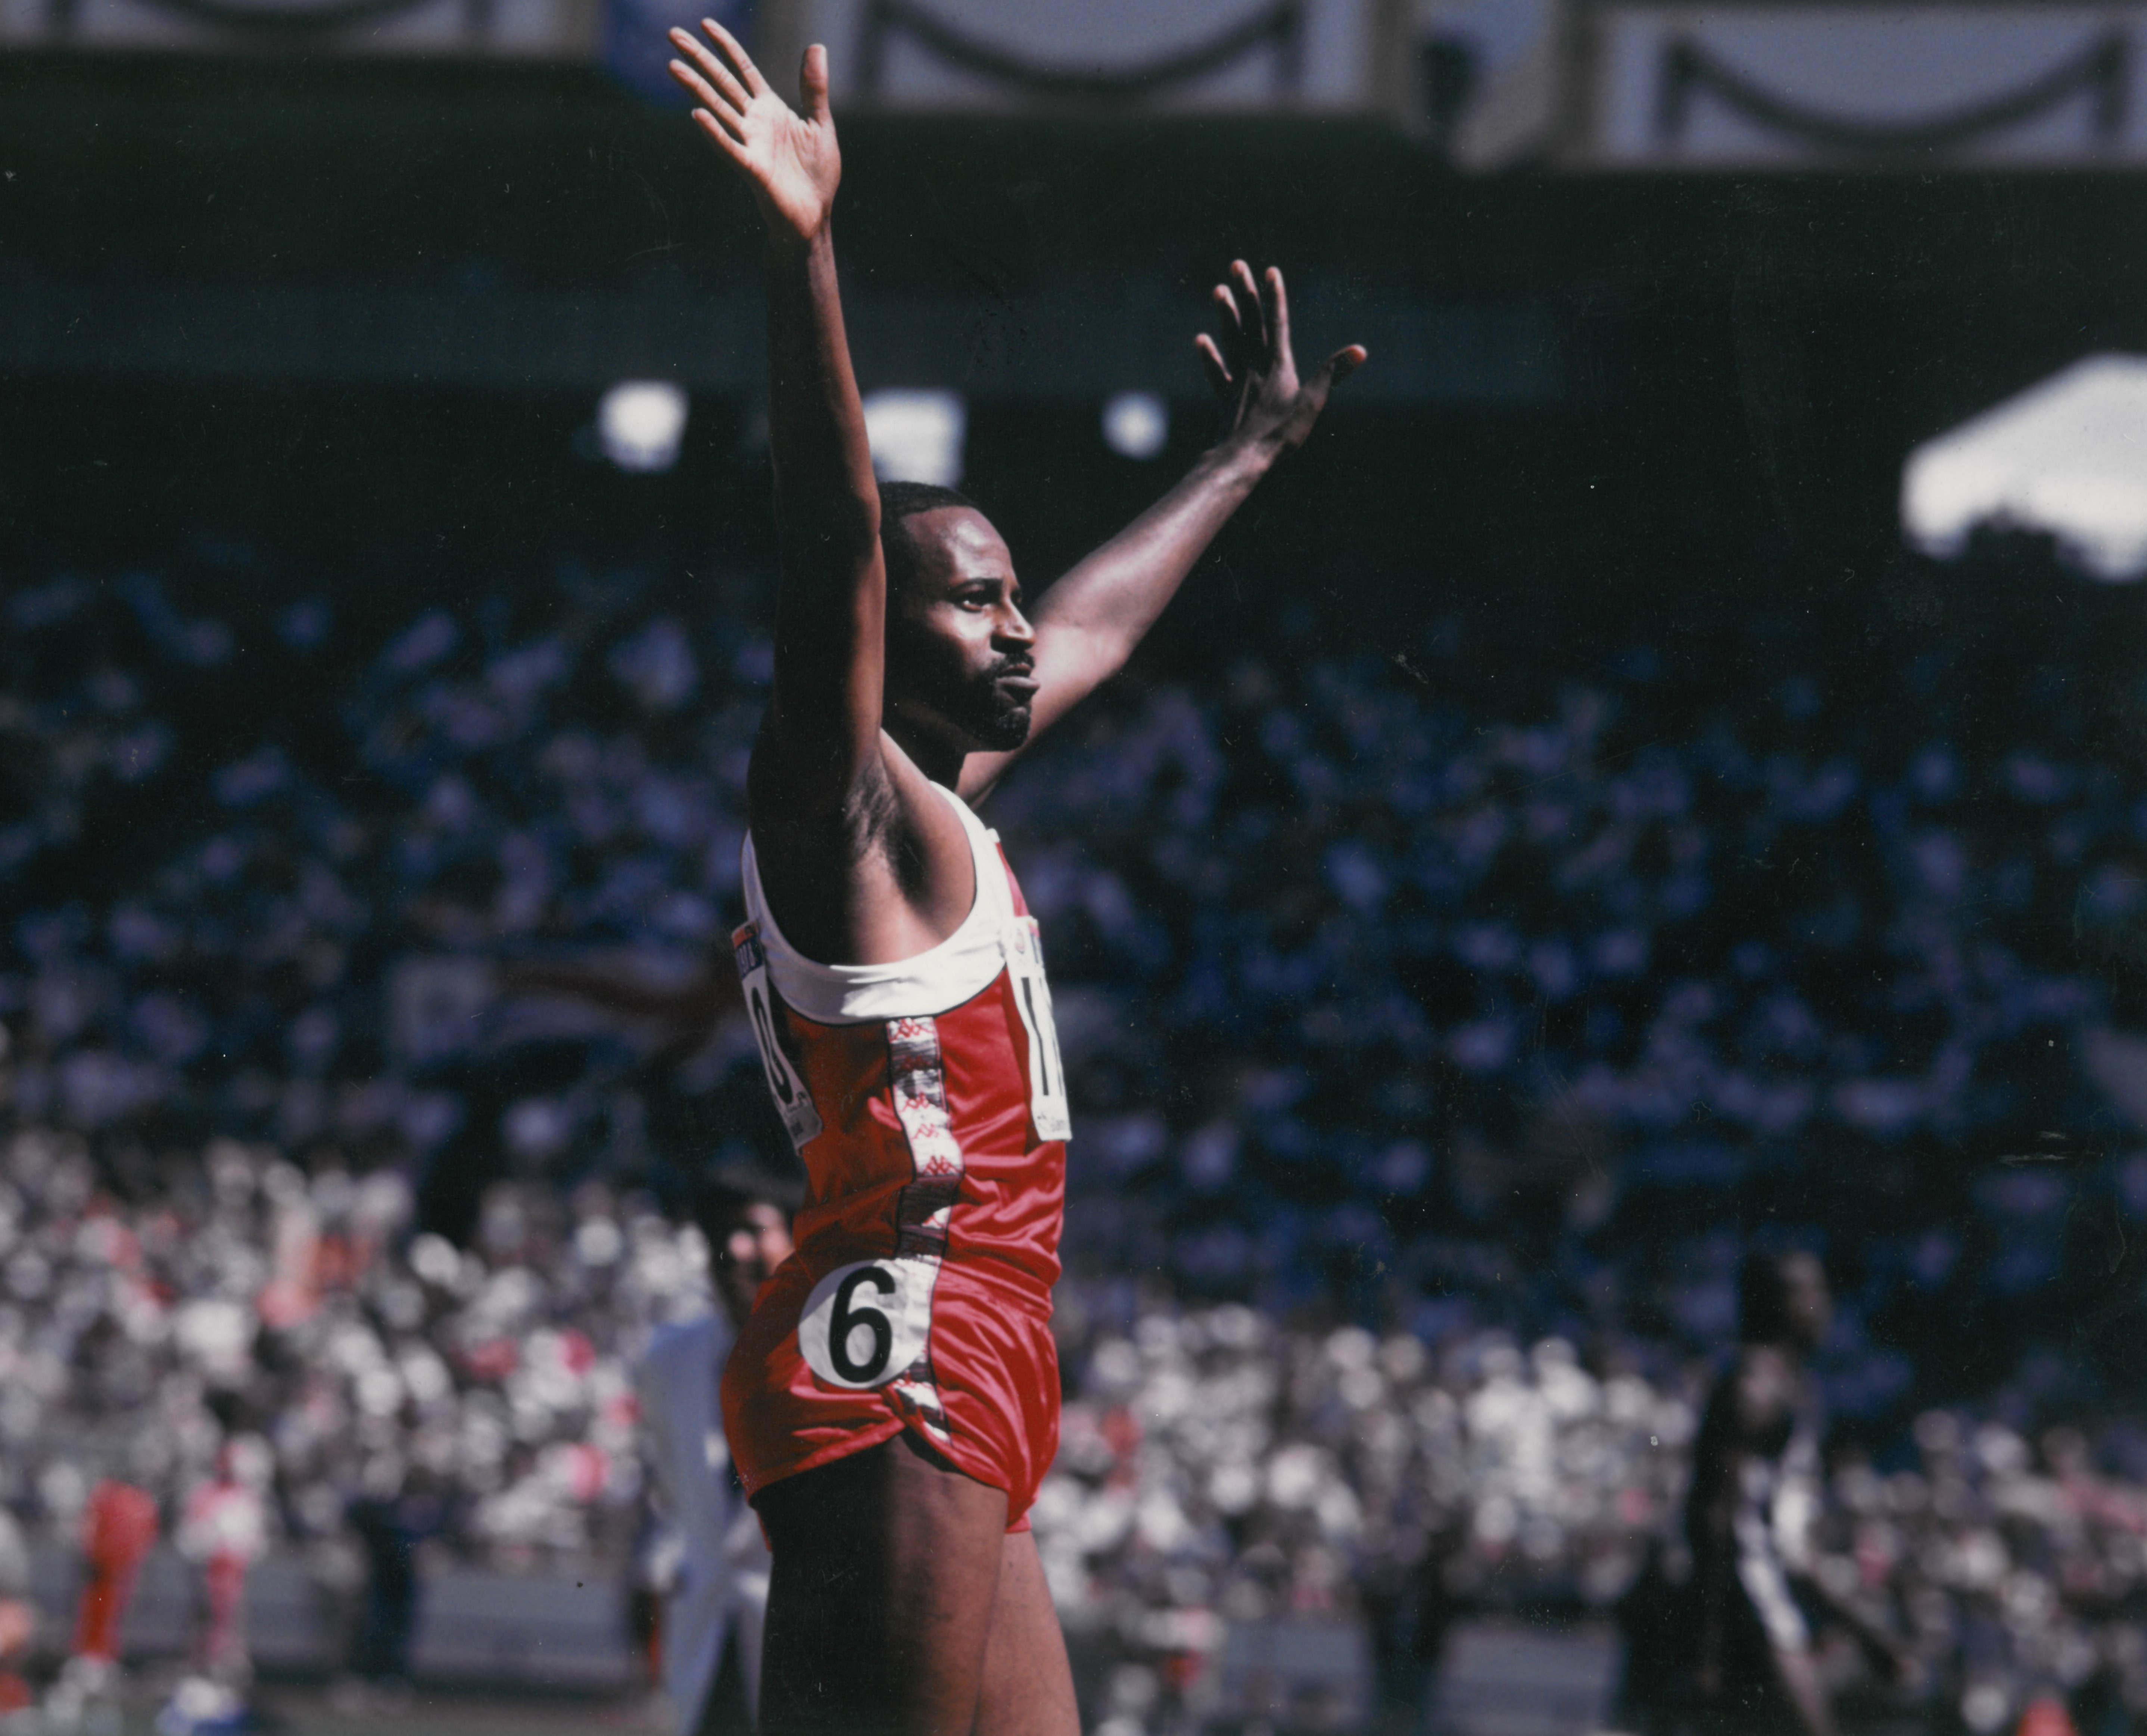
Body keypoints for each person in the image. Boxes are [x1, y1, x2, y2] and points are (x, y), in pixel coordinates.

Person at [661, 19, 1364, 1733]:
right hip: (897, 1329)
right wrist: (803, 247)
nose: (1015, 622)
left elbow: (1099, 627)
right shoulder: (830, 802)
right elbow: (828, 543)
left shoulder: (930, 806)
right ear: (874, 644)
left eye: (1005, 589)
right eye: (971, 600)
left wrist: (1244, 453)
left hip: (972, 1333)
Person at [1685, 1251, 1910, 1735]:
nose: (1823, 1306)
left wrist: (1865, 1633)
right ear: (1775, 1305)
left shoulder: (1796, 1390)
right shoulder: (1753, 1389)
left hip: (1768, 1601)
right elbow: (1715, 1519)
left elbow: (1790, 1546)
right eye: (1810, 1293)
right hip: (1744, 1604)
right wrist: (1705, 1646)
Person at [636, 1169, 800, 1735]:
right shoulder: (669, 1357)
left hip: (806, 1647)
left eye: (754, 1230)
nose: (734, 1250)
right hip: (706, 1636)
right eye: (720, 1235)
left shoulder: (839, 1357)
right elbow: (675, 1492)